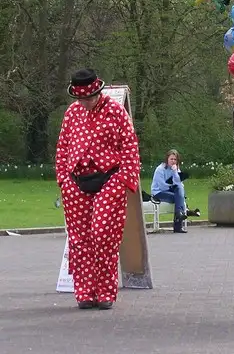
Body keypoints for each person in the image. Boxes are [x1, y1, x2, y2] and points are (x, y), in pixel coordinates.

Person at [55, 68, 140, 310]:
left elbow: (130, 146)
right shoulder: (72, 113)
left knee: (103, 234)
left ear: (98, 93)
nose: (86, 103)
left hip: (109, 178)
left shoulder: (115, 111)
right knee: (79, 240)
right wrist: (63, 180)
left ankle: (105, 290)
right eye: (81, 99)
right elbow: (62, 147)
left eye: (89, 98)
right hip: (76, 180)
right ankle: (85, 292)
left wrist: (123, 180)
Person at [151, 149, 188, 233]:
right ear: (167, 159)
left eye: (175, 159)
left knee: (179, 190)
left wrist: (175, 172)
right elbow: (162, 186)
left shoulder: (176, 168)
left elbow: (179, 183)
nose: (173, 161)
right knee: (179, 198)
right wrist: (174, 187)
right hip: (158, 192)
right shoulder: (160, 169)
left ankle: (179, 213)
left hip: (171, 190)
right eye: (171, 159)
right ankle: (178, 225)